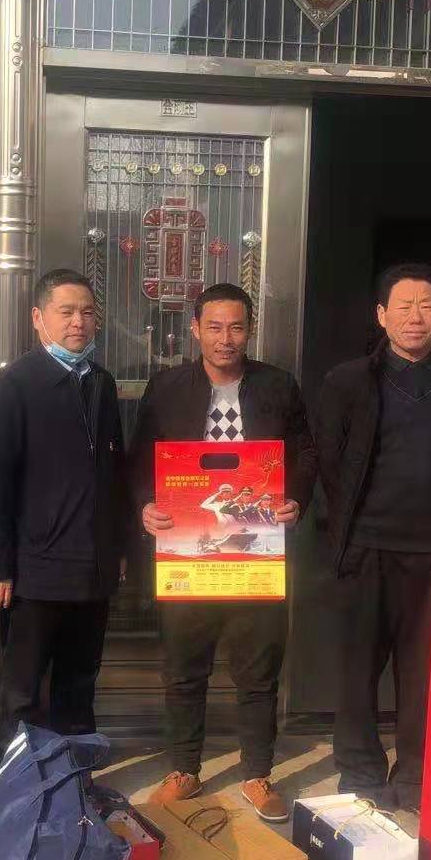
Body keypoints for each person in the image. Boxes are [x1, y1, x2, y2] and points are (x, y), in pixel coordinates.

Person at [315, 262, 431, 812]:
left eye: (426, 305)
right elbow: (329, 462)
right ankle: (361, 773)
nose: (415, 316)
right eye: (403, 306)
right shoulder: (348, 381)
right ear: (381, 315)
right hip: (366, 549)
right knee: (357, 672)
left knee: (425, 675)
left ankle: (417, 775)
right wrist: (347, 532)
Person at [133, 283, 318, 822]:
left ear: (250, 330)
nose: (225, 338)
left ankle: (257, 774)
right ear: (195, 329)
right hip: (188, 551)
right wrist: (145, 505)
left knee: (258, 672)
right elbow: (139, 459)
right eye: (214, 327)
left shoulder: (278, 386)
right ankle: (184, 769)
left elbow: (306, 453)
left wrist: (295, 499)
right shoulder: (167, 388)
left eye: (236, 327)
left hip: (256, 554)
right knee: (183, 669)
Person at [0, 269, 128, 752]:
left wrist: (116, 548)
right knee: (23, 688)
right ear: (38, 318)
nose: (78, 322)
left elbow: (113, 473)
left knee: (79, 682)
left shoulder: (101, 383)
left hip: (93, 567)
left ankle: (75, 778)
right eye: (66, 312)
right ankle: (19, 782)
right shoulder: (11, 385)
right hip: (34, 571)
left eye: (87, 312)